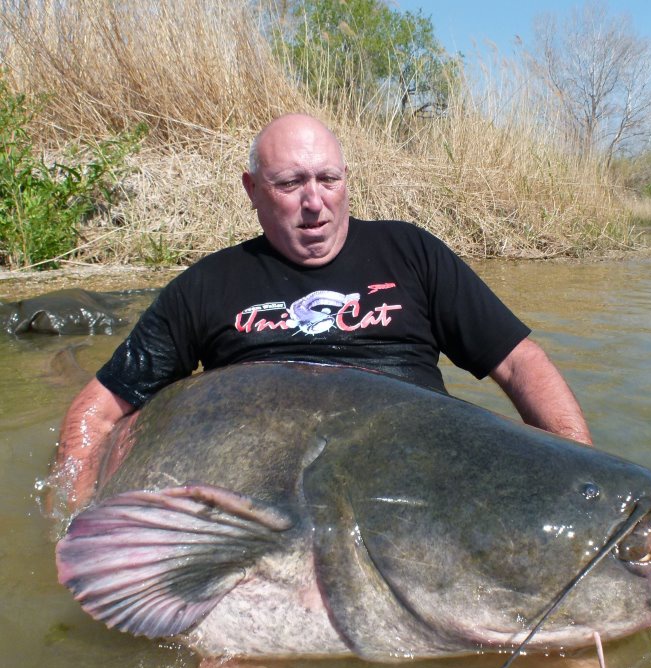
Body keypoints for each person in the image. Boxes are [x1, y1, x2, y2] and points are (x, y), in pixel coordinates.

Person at [51, 113, 591, 513]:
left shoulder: (412, 253)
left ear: (346, 180)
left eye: (328, 180)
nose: (315, 201)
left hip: (415, 485)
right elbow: (97, 411)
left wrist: (581, 473)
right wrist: (74, 523)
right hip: (266, 500)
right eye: (290, 184)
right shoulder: (206, 285)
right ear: (253, 190)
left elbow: (520, 363)